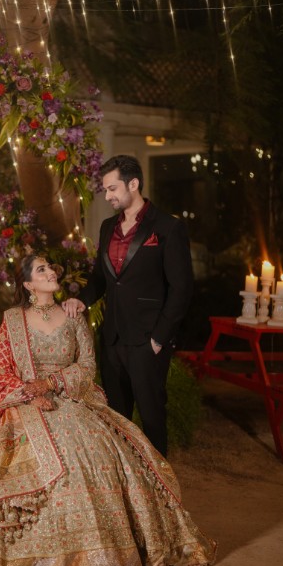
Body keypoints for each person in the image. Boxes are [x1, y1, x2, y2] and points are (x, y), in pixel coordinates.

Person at [0, 254, 215, 566]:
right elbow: (1, 371)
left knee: (98, 447)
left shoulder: (74, 315)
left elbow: (87, 367)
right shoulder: (13, 320)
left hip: (70, 398)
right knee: (36, 453)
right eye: (42, 269)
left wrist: (51, 384)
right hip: (24, 402)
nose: (51, 272)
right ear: (28, 284)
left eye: (50, 267)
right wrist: (30, 393)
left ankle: (102, 551)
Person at [63, 154, 194, 458]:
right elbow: (101, 277)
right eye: (105, 190)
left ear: (133, 184)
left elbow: (181, 289)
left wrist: (158, 339)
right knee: (117, 419)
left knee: (151, 417)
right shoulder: (108, 227)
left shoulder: (168, 227)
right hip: (112, 338)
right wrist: (81, 299)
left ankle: (158, 482)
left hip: (148, 340)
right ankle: (125, 479)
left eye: (112, 189)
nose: (107, 196)